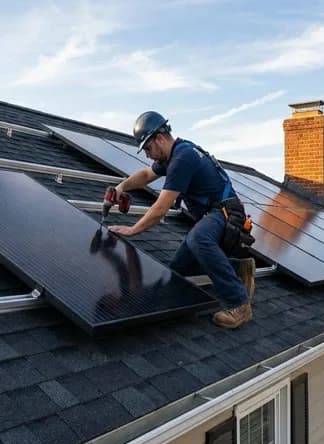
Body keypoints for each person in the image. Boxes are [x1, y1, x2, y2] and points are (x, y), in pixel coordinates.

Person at [108, 111, 255, 329]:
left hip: (225, 213)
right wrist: (122, 186)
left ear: (159, 138)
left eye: (148, 149)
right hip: (212, 216)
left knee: (198, 239)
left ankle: (239, 304)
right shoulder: (173, 155)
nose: (148, 156)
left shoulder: (182, 159)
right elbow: (147, 175)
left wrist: (133, 229)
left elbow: (160, 208)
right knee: (177, 270)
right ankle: (237, 269)